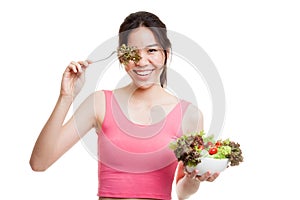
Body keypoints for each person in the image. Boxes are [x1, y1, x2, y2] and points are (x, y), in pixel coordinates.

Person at [29, 11, 220, 200]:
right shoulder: (100, 103)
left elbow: (181, 192)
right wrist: (66, 96)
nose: (142, 62)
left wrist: (192, 176)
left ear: (166, 54)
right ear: (122, 57)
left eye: (151, 50)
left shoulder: (190, 115)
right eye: (133, 53)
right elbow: (39, 163)